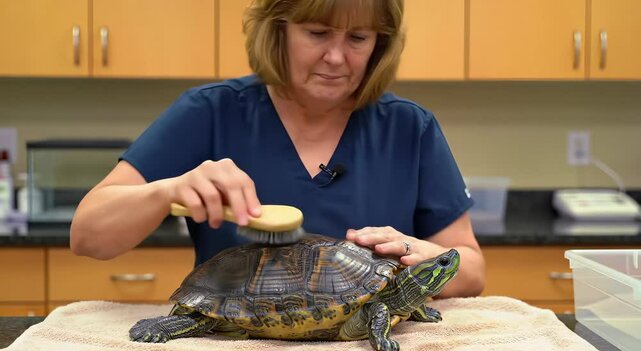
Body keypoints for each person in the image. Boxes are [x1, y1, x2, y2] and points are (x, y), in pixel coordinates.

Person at [70, 0, 485, 298]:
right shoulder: (209, 112)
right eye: (317, 33)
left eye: (358, 38)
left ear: (380, 44)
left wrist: (419, 252)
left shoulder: (410, 127)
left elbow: (472, 269)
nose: (337, 57)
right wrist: (167, 191)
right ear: (279, 28)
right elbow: (88, 235)